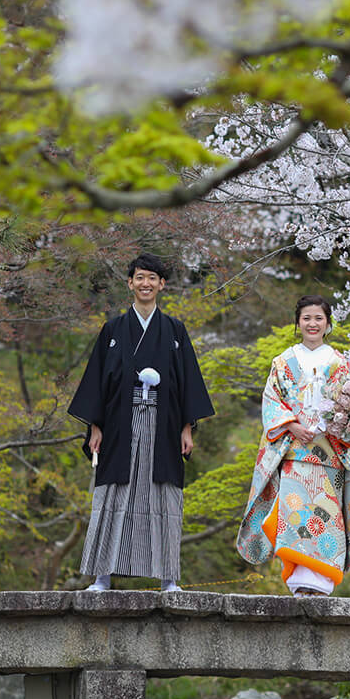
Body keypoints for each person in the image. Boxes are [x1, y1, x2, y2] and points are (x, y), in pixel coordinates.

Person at [68, 253, 214, 592]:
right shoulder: (114, 330)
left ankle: (168, 579)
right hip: (120, 422)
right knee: (113, 492)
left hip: (164, 425)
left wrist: (187, 427)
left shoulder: (175, 330)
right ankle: (102, 576)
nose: (145, 283)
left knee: (163, 495)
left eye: (152, 278)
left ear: (162, 285)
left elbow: (186, 381)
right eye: (139, 277)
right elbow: (97, 383)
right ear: (130, 283)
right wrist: (95, 426)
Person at [236, 295, 350, 596]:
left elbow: (349, 407)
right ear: (298, 322)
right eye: (306, 318)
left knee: (325, 516)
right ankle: (298, 582)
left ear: (328, 323)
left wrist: (331, 424)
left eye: (318, 318)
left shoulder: (339, 363)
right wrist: (293, 425)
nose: (312, 324)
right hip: (295, 452)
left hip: (328, 453)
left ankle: (321, 582)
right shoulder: (283, 362)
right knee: (296, 514)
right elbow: (272, 400)